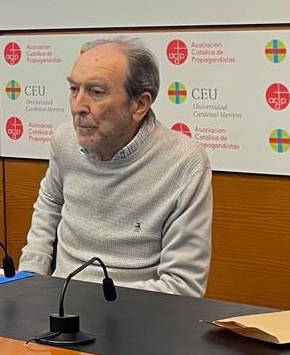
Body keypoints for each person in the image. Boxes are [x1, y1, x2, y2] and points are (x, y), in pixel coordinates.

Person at [19, 37, 212, 296]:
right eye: (74, 89)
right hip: (58, 307)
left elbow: (183, 285)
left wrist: (88, 302)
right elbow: (51, 202)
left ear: (139, 104)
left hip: (137, 315)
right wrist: (31, 274)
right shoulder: (64, 141)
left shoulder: (184, 162)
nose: (77, 107)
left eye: (96, 92)